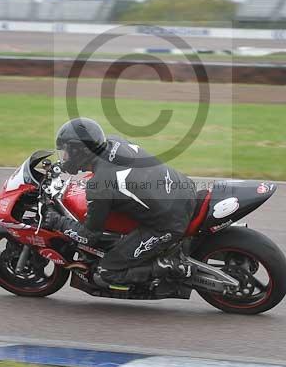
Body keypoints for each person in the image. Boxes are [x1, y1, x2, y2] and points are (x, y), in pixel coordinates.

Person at [43, 117, 197, 287]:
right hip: (184, 189)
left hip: (170, 222)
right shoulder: (114, 142)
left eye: (67, 152)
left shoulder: (100, 185)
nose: (64, 157)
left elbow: (89, 236)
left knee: (108, 272)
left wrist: (58, 222)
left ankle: (170, 267)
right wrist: (59, 167)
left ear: (80, 152)